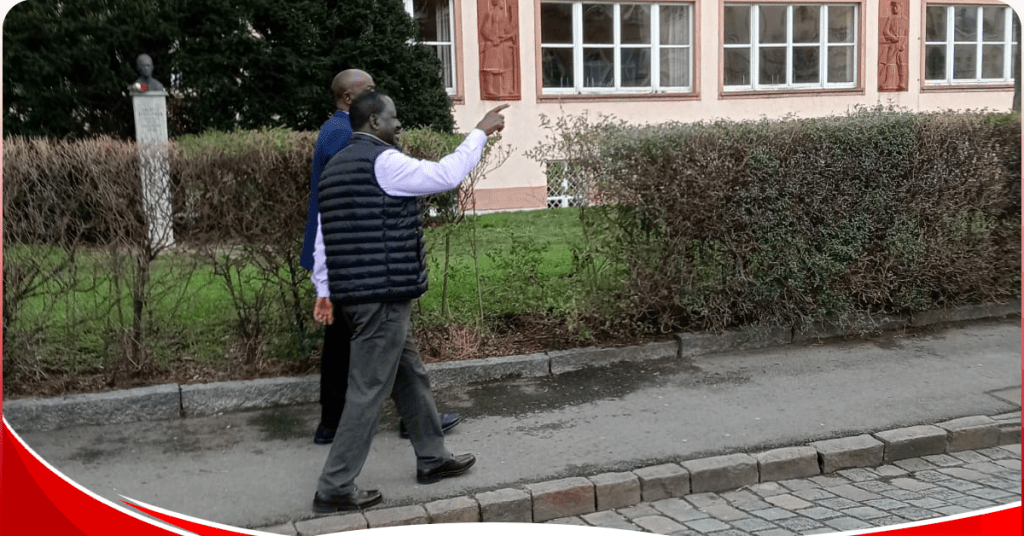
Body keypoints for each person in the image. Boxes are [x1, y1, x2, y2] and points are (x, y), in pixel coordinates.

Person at [310, 92, 509, 512]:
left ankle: (433, 458)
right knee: (366, 391)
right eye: (393, 118)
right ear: (373, 121)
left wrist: (324, 289)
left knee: (409, 372)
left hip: (356, 295)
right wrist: (479, 132)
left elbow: (323, 240)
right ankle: (334, 486)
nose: (399, 125)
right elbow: (445, 175)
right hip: (382, 296)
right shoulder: (384, 162)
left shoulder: (335, 169)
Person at [301, 70, 461, 445]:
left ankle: (411, 424)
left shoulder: (334, 129)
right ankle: (341, 445)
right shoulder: (346, 135)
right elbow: (354, 196)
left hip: (349, 256)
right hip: (358, 259)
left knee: (374, 345)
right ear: (347, 99)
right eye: (368, 92)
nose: (375, 96)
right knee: (361, 351)